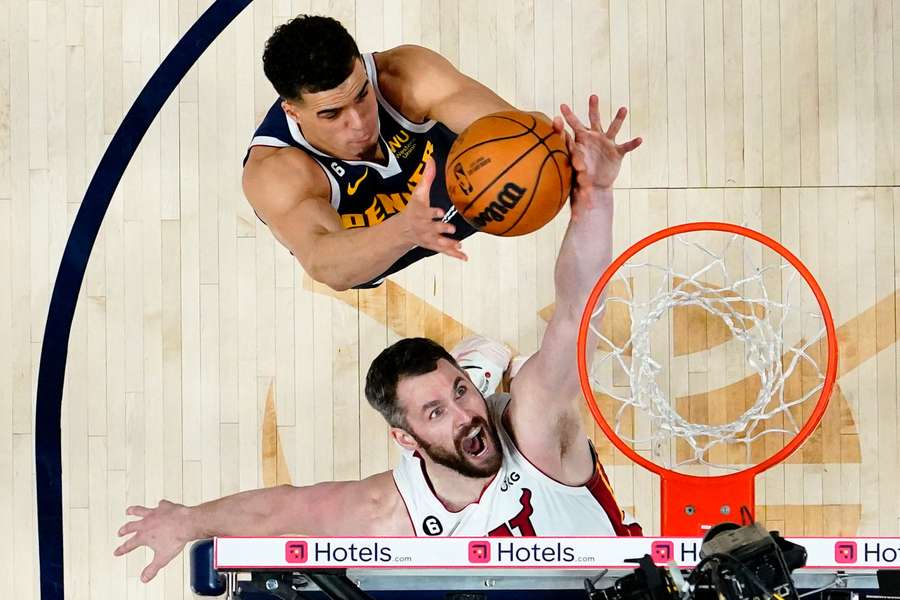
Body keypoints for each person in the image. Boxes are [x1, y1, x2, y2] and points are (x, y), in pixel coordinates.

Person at [114, 95, 643, 583]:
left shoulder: (532, 430)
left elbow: (578, 310)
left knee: (516, 375)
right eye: (434, 412)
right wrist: (187, 522)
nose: (464, 415)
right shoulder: (392, 509)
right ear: (406, 441)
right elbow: (280, 511)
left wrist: (594, 196)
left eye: (460, 393)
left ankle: (481, 362)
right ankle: (480, 361)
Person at [243, 14, 546, 291]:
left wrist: (562, 143)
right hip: (373, 248)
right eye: (333, 114)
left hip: (469, 186)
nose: (360, 123)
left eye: (362, 95)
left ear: (362, 68)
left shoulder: (407, 76)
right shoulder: (276, 170)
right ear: (292, 112)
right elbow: (323, 263)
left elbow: (524, 132)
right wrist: (403, 231)